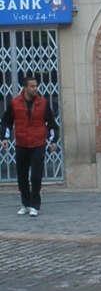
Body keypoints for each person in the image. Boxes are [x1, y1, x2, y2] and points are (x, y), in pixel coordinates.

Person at [0, 76, 59, 217]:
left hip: (38, 143)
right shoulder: (14, 103)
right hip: (21, 144)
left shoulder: (43, 103)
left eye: (36, 86)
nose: (35, 89)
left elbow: (52, 124)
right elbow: (6, 122)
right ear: (25, 87)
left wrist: (53, 141)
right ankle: (25, 204)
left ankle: (35, 205)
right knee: (22, 176)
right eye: (32, 86)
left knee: (36, 176)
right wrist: (5, 138)